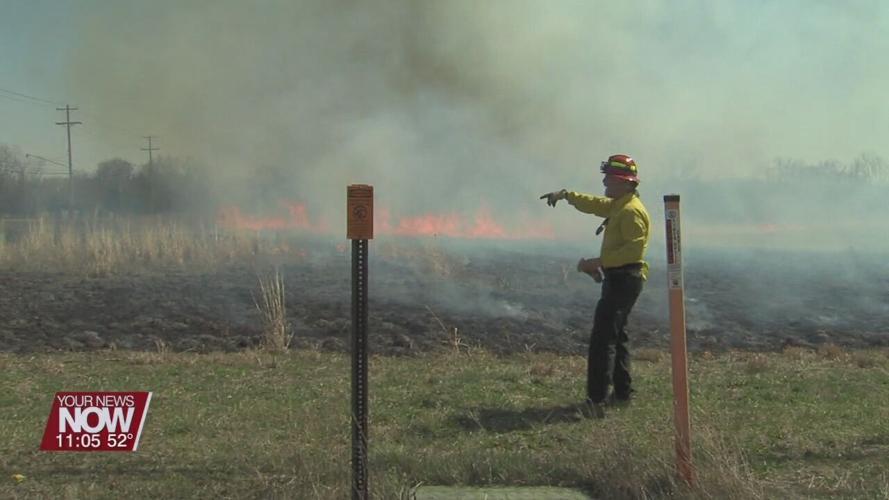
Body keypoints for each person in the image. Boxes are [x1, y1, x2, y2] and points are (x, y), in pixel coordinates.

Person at [540, 154, 651, 418]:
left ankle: (596, 401)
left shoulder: (631, 211)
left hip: (625, 279)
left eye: (609, 178)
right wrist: (567, 195)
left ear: (625, 182)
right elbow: (595, 204)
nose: (604, 182)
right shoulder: (620, 204)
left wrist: (596, 262)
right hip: (620, 278)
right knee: (618, 335)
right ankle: (623, 393)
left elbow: (634, 251)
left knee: (603, 340)